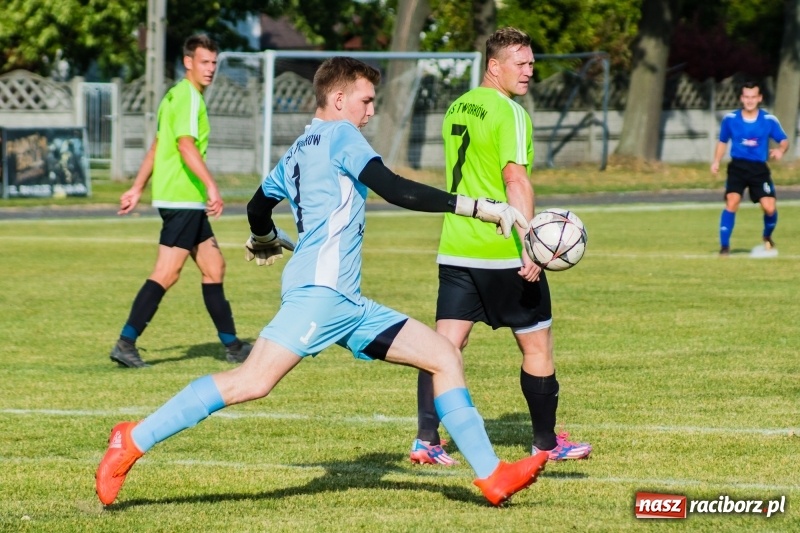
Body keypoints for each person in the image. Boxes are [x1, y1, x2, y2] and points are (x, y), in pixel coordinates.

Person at [96, 56, 549, 508]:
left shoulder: (297, 148)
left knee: (444, 356)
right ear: (338, 98)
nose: (370, 111)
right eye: (365, 100)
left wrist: (264, 238)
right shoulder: (341, 136)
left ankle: (492, 476)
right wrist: (480, 207)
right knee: (251, 382)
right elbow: (394, 189)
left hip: (345, 302)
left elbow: (258, 205)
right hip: (320, 296)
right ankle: (131, 439)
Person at [409, 27, 592, 466]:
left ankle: (426, 441)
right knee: (537, 347)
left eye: (532, 63)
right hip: (501, 249)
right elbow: (515, 179)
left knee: (443, 347)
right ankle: (547, 444)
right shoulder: (509, 112)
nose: (529, 71)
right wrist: (530, 245)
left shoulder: (458, 104)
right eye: (522, 63)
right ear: (495, 66)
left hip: (456, 245)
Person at [108, 34, 253, 368]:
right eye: (204, 62)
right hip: (183, 198)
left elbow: (159, 146)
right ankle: (126, 342)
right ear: (188, 62)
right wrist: (212, 186)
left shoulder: (173, 95)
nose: (211, 69)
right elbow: (185, 146)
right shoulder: (188, 97)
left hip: (181, 198)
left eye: (214, 62)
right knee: (166, 272)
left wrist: (136, 188)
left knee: (214, 267)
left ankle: (232, 346)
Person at [711, 80, 788, 256]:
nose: (750, 100)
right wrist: (716, 160)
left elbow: (783, 140)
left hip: (759, 169)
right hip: (737, 167)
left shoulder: (768, 120)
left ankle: (767, 236)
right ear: (741, 98)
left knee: (769, 208)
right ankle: (724, 248)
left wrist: (780, 150)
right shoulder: (730, 119)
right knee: (732, 202)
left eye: (753, 97)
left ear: (759, 98)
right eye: (746, 97)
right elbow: (723, 141)